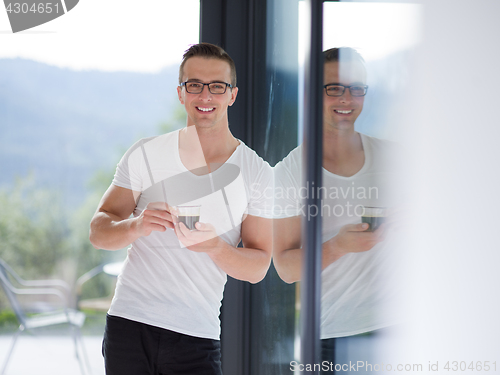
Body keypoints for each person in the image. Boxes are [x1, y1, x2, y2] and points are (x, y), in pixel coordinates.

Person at [89, 43, 273, 375]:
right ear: (181, 92)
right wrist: (136, 226)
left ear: (232, 95)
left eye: (217, 86)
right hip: (129, 325)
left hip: (196, 336)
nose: (206, 96)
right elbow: (99, 230)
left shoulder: (257, 172)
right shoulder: (146, 154)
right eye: (194, 85)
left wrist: (216, 246)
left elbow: (258, 266)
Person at [273, 47, 404, 371]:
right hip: (333, 333)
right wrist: (338, 246)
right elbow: (286, 268)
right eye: (334, 88)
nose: (347, 99)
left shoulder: (397, 158)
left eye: (356, 88)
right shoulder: (290, 171)